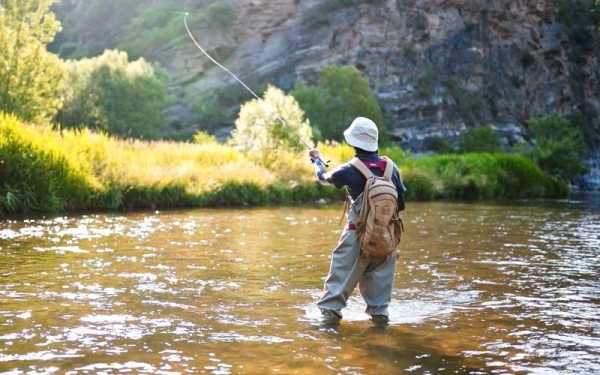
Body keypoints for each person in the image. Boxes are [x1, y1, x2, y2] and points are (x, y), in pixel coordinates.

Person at [309, 117, 406, 325]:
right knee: (380, 310)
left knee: (331, 303)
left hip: (356, 239)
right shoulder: (392, 168)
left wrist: (317, 161)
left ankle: (327, 336)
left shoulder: (349, 170)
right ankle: (381, 338)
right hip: (387, 241)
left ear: (353, 142)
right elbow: (402, 204)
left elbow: (322, 178)